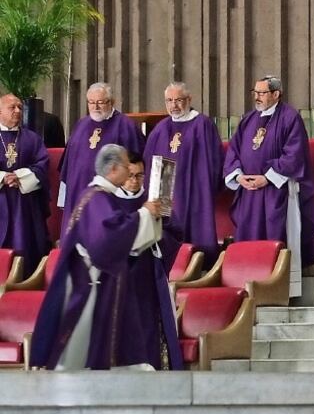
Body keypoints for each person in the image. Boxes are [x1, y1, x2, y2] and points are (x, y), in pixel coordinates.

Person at [30, 144, 163, 370]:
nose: (129, 171)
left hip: (98, 278)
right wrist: (145, 214)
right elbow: (107, 239)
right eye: (125, 167)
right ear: (113, 169)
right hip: (91, 281)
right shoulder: (97, 198)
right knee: (83, 347)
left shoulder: (99, 196)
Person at [223, 75, 314, 299]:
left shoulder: (290, 118)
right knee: (249, 239)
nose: (257, 97)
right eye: (255, 92)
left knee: (276, 236)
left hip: (278, 192)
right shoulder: (248, 120)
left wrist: (267, 178)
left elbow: (294, 154)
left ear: (276, 94)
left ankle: (279, 290)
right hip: (250, 193)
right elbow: (233, 152)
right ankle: (247, 288)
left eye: (262, 93)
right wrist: (238, 177)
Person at [144, 82, 224, 269]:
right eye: (169, 101)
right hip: (165, 193)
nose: (174, 105)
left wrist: (206, 187)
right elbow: (150, 162)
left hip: (195, 191)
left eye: (178, 100)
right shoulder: (161, 128)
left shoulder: (202, 124)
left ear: (189, 100)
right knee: (168, 237)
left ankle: (200, 269)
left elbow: (213, 160)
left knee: (196, 234)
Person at [115, 151, 183, 370]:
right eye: (130, 175)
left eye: (139, 176)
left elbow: (175, 233)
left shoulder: (155, 199)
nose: (134, 181)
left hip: (148, 274)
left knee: (149, 325)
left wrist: (157, 228)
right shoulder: (110, 200)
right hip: (120, 276)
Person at [59, 82, 144, 235]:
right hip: (78, 194)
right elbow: (68, 165)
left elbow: (136, 167)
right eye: (91, 102)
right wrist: (63, 198)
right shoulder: (81, 125)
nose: (95, 107)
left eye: (100, 102)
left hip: (110, 198)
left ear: (112, 102)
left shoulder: (126, 126)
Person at [0, 94, 50, 276]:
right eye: (12, 107)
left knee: (25, 241)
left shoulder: (32, 138)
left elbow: (42, 164)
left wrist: (20, 177)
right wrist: (3, 178)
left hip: (25, 203)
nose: (18, 111)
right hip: (1, 199)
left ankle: (27, 278)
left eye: (20, 107)